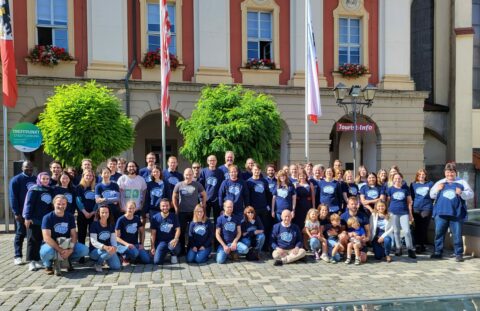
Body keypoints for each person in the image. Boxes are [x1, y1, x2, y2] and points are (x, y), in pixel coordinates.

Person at [429, 162, 474, 262]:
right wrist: (437, 189)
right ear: (445, 173)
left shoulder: (462, 182)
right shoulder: (440, 183)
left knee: (457, 235)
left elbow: (471, 194)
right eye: (448, 172)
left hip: (456, 214)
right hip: (441, 214)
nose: (450, 174)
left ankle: (458, 254)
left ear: (455, 173)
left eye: (452, 172)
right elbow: (431, 195)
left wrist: (461, 192)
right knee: (439, 234)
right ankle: (438, 252)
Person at [40, 195, 89, 275]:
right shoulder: (47, 217)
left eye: (63, 204)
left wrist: (71, 249)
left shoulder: (70, 216)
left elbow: (73, 234)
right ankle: (48, 265)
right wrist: (60, 250)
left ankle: (66, 260)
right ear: (54, 204)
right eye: (58, 204)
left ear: (66, 205)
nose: (61, 206)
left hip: (65, 243)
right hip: (51, 245)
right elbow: (46, 238)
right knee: (46, 252)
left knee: (84, 250)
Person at [172, 168, 207, 255]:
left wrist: (203, 204)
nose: (188, 176)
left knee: (193, 231)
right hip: (182, 212)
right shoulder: (179, 185)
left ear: (193, 175)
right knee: (182, 232)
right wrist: (176, 207)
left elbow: (204, 194)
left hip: (194, 212)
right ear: (184, 175)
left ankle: (192, 248)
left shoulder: (197, 184)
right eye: (187, 175)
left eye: (190, 174)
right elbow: (174, 196)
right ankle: (182, 250)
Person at [23, 172, 53, 272]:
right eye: (43, 178)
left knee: (41, 241)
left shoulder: (49, 190)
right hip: (34, 220)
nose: (45, 180)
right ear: (39, 179)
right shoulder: (34, 189)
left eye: (47, 179)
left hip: (45, 221)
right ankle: (31, 262)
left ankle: (38, 260)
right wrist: (27, 217)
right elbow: (29, 204)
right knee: (33, 241)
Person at [9, 160, 36, 265]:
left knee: (33, 236)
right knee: (20, 234)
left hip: (33, 213)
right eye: (26, 167)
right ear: (22, 168)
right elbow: (13, 197)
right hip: (21, 213)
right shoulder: (16, 180)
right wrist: (16, 213)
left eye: (30, 168)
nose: (29, 169)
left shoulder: (35, 179)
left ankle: (33, 257)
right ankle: (17, 256)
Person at [386, 172, 416, 259]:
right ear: (393, 179)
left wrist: (410, 214)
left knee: (407, 231)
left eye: (399, 178)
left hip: (404, 212)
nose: (397, 180)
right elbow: (388, 201)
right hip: (393, 212)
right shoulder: (390, 189)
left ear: (402, 179)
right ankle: (398, 248)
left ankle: (410, 249)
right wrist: (387, 212)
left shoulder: (405, 189)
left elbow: (409, 202)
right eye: (395, 178)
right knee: (396, 231)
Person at [115, 201, 151, 265]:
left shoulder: (136, 218)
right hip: (124, 245)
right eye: (129, 208)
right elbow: (117, 238)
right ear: (126, 208)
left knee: (147, 260)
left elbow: (142, 231)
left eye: (133, 208)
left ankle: (132, 257)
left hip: (135, 245)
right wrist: (127, 244)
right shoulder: (121, 219)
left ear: (135, 209)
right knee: (135, 253)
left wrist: (141, 244)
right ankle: (124, 257)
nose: (131, 210)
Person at [246, 163, 272, 249]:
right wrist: (249, 208)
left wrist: (268, 206)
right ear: (252, 171)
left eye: (258, 170)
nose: (256, 171)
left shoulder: (264, 181)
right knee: (254, 227)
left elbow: (268, 195)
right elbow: (247, 196)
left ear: (260, 171)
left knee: (265, 227)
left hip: (264, 209)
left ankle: (265, 246)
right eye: (255, 170)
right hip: (253, 210)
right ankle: (254, 246)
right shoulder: (249, 182)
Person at [89, 205, 121, 272]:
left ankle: (105, 260)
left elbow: (113, 239)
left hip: (108, 250)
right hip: (95, 250)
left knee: (116, 267)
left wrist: (114, 247)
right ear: (99, 213)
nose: (105, 214)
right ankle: (98, 264)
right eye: (102, 212)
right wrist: (105, 247)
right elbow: (93, 242)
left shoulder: (111, 224)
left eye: (106, 212)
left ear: (109, 213)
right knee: (108, 252)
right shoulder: (94, 225)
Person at [410, 168, 434, 253]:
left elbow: (433, 195)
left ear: (425, 175)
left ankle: (421, 244)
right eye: (419, 175)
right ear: (417, 176)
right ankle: (419, 245)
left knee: (424, 227)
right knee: (417, 227)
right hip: (416, 208)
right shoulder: (413, 184)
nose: (421, 176)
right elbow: (412, 197)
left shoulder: (430, 184)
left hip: (426, 207)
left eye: (423, 174)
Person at [150, 199, 181, 265]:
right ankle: (164, 253)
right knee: (157, 262)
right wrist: (152, 247)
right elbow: (153, 234)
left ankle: (173, 254)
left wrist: (175, 239)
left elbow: (178, 229)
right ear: (160, 207)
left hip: (171, 241)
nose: (165, 207)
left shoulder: (174, 216)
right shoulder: (155, 217)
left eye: (167, 206)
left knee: (175, 248)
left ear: (169, 206)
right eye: (163, 206)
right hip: (161, 242)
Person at [198, 155, 224, 220]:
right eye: (210, 160)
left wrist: (221, 199)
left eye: (214, 160)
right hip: (206, 200)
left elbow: (222, 187)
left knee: (217, 219)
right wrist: (201, 199)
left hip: (217, 200)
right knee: (205, 218)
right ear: (207, 162)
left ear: (216, 161)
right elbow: (200, 187)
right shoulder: (203, 172)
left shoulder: (220, 172)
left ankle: (216, 230)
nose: (212, 162)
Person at [76, 169, 97, 249]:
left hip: (93, 214)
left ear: (93, 177)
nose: (89, 177)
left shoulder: (95, 187)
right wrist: (85, 212)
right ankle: (81, 254)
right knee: (82, 234)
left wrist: (93, 212)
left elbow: (97, 201)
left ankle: (92, 252)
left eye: (91, 175)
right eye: (87, 175)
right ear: (83, 176)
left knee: (93, 234)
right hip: (82, 214)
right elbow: (78, 200)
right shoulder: (79, 187)